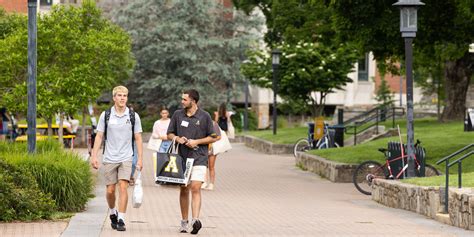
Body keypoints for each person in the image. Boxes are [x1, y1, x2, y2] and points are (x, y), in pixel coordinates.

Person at [90, 86, 143, 232]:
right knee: (110, 191)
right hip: (109, 157)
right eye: (119, 95)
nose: (122, 98)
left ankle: (121, 219)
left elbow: (138, 138)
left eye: (125, 95)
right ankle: (113, 212)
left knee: (123, 186)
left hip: (126, 157)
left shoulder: (133, 116)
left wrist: (140, 159)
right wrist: (94, 156)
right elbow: (99, 136)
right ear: (114, 98)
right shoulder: (106, 115)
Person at [167, 89, 217, 235]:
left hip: (199, 157)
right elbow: (169, 134)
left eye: (184, 99)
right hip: (182, 158)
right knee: (184, 188)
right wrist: (177, 139)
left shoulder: (205, 116)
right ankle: (184, 221)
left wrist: (197, 141)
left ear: (193, 101)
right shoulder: (177, 114)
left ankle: (195, 220)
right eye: (182, 99)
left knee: (195, 187)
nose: (182, 102)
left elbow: (213, 137)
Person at [201, 121, 222, 191]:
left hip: (212, 148)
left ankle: (211, 184)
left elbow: (219, 136)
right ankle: (204, 182)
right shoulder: (201, 123)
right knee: (204, 166)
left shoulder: (214, 124)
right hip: (203, 147)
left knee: (211, 166)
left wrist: (211, 139)